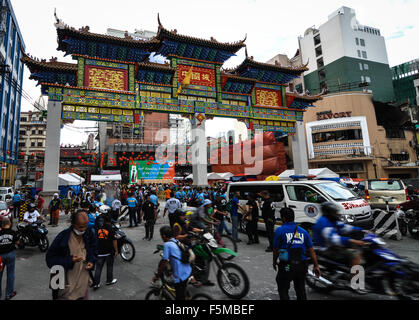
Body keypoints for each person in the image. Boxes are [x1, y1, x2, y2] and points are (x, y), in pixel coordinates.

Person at [46, 210, 97, 300]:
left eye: (86, 226)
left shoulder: (89, 234)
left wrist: (91, 261)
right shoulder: (63, 237)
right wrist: (69, 260)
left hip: (83, 285)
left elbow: (94, 250)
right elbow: (50, 260)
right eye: (81, 227)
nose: (83, 230)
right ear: (73, 223)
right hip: (66, 287)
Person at [273, 208, 321, 300]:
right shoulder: (303, 231)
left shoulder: (280, 230)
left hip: (287, 266)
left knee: (283, 287)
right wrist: (316, 266)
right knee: (300, 289)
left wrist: (274, 262)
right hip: (301, 266)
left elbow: (275, 249)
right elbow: (311, 250)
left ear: (283, 218)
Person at [312, 202, 366, 267]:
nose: (336, 214)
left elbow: (345, 228)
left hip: (332, 245)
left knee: (360, 247)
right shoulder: (323, 223)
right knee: (354, 255)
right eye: (334, 212)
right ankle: (356, 275)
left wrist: (363, 230)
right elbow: (334, 239)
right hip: (326, 248)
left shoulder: (332, 220)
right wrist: (353, 241)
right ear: (329, 212)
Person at [152, 226, 192, 300]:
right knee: (181, 290)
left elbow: (164, 262)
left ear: (163, 236)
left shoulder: (167, 245)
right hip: (187, 270)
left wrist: (157, 275)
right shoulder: (175, 240)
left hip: (181, 275)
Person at [93, 213, 118, 290]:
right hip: (109, 251)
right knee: (109, 266)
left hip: (100, 251)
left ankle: (96, 283)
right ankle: (109, 281)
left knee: (98, 267)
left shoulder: (98, 228)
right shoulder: (110, 229)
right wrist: (116, 250)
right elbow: (114, 241)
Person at [0, 218, 18, 300]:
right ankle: (9, 294)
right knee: (10, 274)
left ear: (2, 224)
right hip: (10, 254)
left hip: (0, 256)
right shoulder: (13, 232)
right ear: (9, 223)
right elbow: (18, 242)